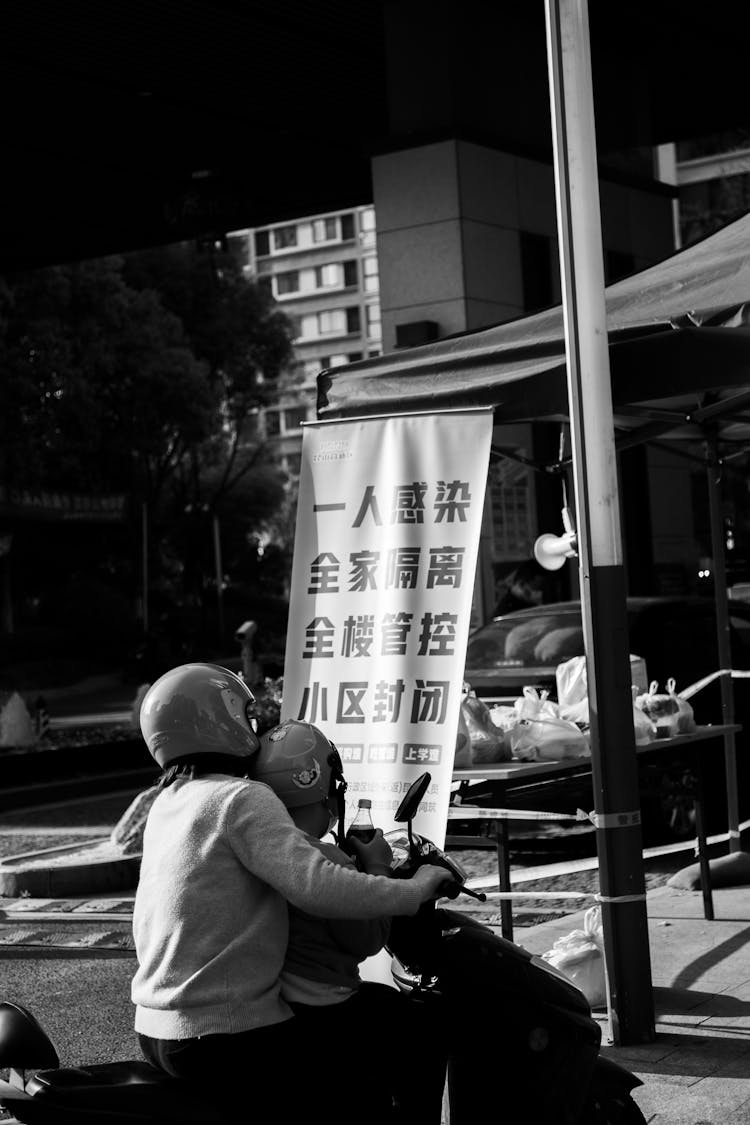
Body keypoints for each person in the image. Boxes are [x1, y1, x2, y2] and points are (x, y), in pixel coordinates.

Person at [130, 663, 449, 1121]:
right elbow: (317, 885)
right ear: (220, 719)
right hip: (224, 1032)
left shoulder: (169, 801)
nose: (253, 725)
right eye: (244, 713)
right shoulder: (238, 799)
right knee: (391, 1059)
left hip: (157, 1028)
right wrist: (414, 889)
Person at [251, 718, 448, 1124]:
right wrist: (376, 868)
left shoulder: (262, 848)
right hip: (323, 1004)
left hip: (275, 1000)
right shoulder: (327, 860)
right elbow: (367, 939)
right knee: (423, 1030)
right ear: (326, 790)